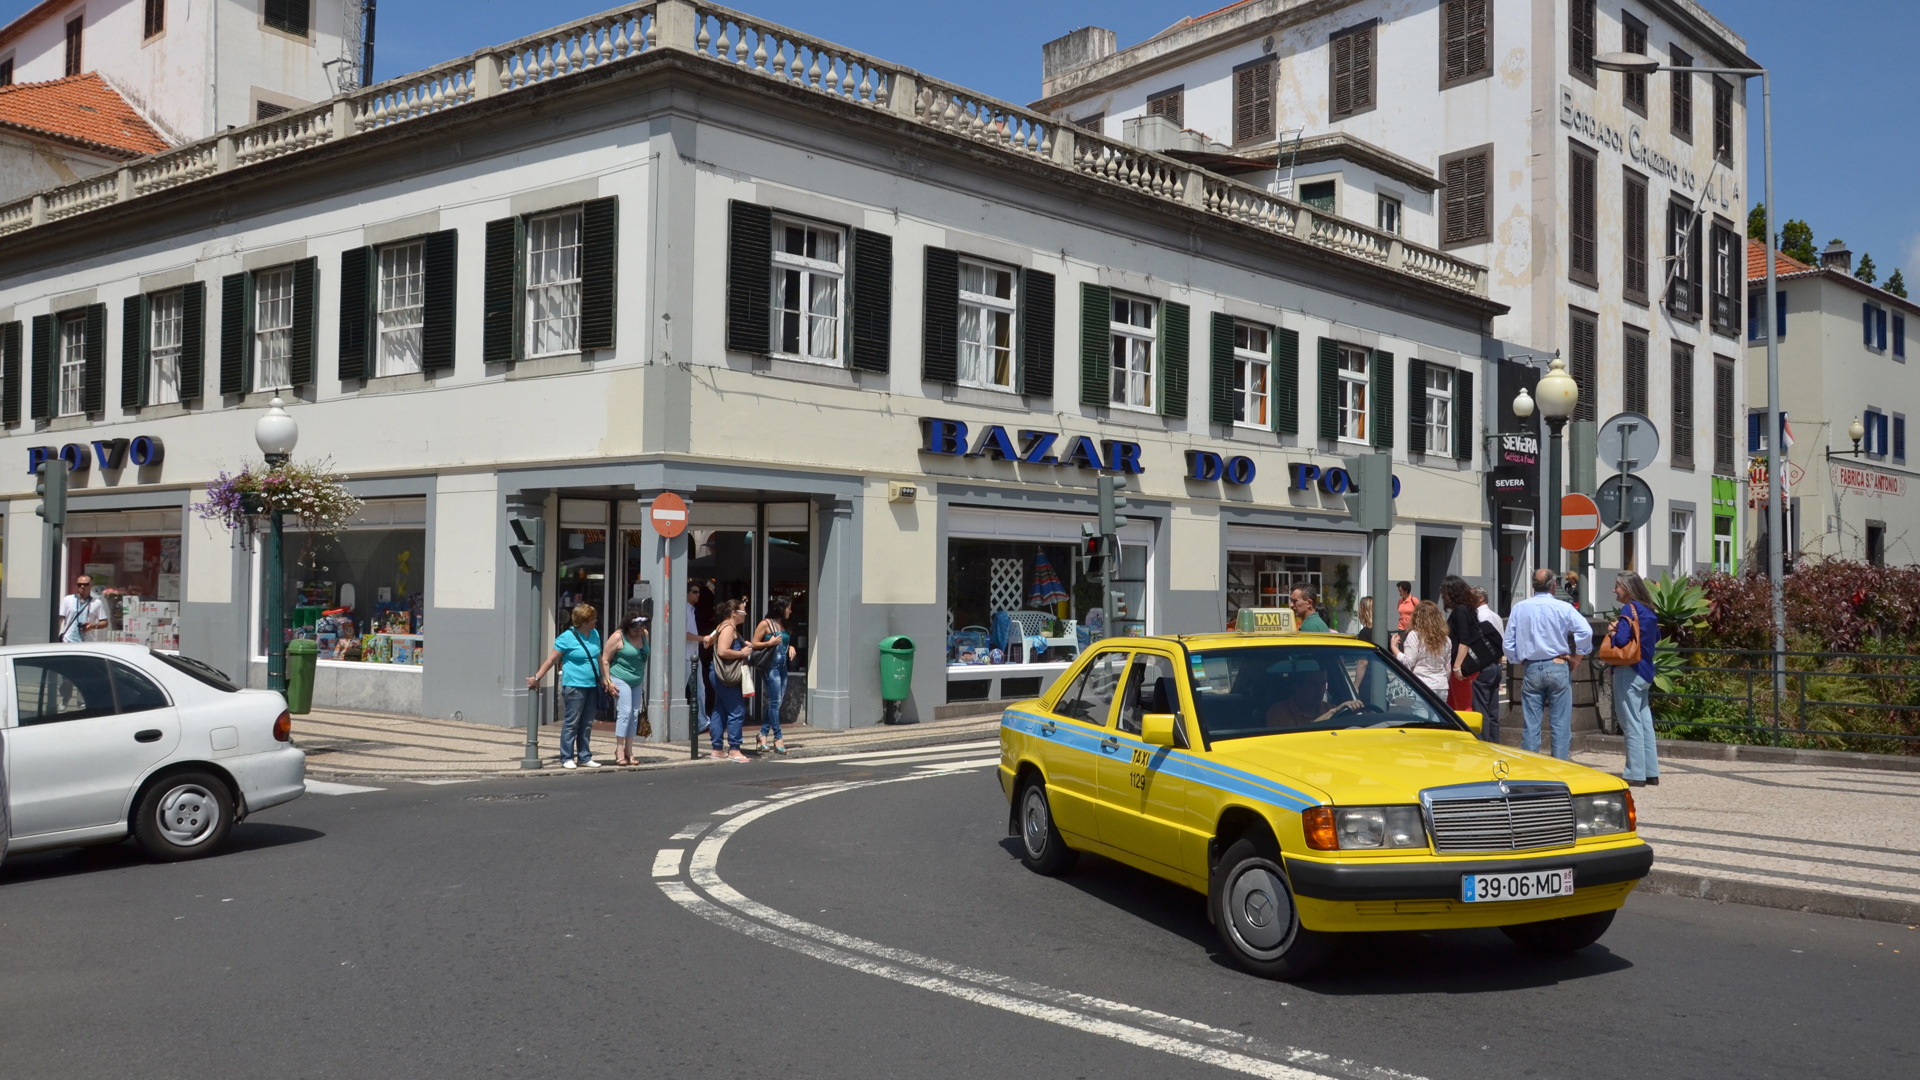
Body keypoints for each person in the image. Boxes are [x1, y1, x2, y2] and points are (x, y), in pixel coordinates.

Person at [1503, 568, 1594, 759]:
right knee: (1560, 723)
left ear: (1533, 586)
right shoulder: (1563, 607)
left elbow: (1508, 642)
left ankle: (1530, 767)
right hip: (1558, 664)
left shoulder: (1520, 608)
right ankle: (1559, 767)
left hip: (1532, 666)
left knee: (1531, 724)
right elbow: (1585, 631)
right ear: (1554, 586)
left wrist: (1517, 659)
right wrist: (1578, 657)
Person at [526, 603, 604, 769]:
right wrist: (537, 677)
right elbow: (552, 660)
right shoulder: (566, 637)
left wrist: (604, 678)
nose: (595, 621)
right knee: (572, 722)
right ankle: (567, 757)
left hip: (592, 685)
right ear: (583, 621)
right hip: (574, 686)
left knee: (587, 722)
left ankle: (584, 756)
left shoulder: (595, 634)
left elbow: (599, 657)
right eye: (592, 619)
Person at [1608, 571, 1662, 787]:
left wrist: (1612, 631)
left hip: (1628, 671)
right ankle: (1651, 772)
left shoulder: (1628, 609)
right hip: (1645, 671)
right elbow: (1656, 637)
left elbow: (1621, 640)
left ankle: (1635, 773)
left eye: (1617, 586)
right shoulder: (1648, 611)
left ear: (1627, 589)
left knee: (1630, 723)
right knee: (1645, 722)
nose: (1614, 590)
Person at [750, 596, 798, 755]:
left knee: (776, 704)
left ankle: (762, 735)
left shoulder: (784, 624)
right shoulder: (765, 624)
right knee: (775, 701)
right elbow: (754, 643)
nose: (790, 611)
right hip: (770, 668)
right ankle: (778, 738)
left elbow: (784, 641)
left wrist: (790, 646)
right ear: (781, 608)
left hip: (783, 667)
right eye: (788, 608)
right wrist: (768, 643)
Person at [708, 598, 754, 762]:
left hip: (717, 673)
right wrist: (742, 653)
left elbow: (709, 643)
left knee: (720, 710)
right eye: (743, 611)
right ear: (734, 613)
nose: (745, 614)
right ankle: (734, 749)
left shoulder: (722, 626)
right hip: (727, 675)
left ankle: (717, 749)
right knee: (737, 710)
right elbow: (722, 651)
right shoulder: (728, 628)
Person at [602, 612, 650, 766]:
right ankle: (619, 750)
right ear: (627, 626)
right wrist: (608, 681)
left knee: (635, 714)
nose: (639, 631)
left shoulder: (644, 635)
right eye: (635, 628)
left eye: (642, 627)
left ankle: (630, 751)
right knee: (625, 711)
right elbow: (605, 659)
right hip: (619, 678)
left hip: (636, 680)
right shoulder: (618, 636)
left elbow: (643, 657)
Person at [1440, 575, 1481, 711]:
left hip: (1460, 665)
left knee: (1463, 707)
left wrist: (1457, 667)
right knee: (1453, 706)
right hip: (1462, 664)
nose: (1443, 596)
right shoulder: (1467, 609)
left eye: (1444, 592)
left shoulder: (1460, 611)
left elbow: (1464, 640)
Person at [1470, 587, 1506, 739]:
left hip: (1484, 666)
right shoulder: (1496, 616)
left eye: (1471, 597)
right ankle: (1494, 741)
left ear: (1481, 598)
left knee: (1481, 709)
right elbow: (1500, 643)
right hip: (1496, 666)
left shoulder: (1480, 616)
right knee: (1493, 711)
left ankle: (1484, 743)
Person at [1396, 599, 1451, 695]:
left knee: (1419, 710)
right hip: (1441, 687)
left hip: (1421, 686)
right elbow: (1447, 668)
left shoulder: (1414, 635)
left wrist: (1394, 649)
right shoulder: (1446, 639)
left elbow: (1408, 663)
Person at [685, 582, 713, 737]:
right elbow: (684, 634)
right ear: (687, 593)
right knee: (683, 690)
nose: (698, 595)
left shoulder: (692, 610)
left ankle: (702, 722)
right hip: (684, 657)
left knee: (700, 690)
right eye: (694, 591)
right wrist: (702, 638)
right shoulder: (683, 609)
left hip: (694, 656)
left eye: (698, 592)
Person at [58, 574, 110, 643]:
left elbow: (105, 623)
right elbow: (60, 620)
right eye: (80, 584)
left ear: (91, 585)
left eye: (85, 584)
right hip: (68, 640)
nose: (82, 586)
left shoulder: (97, 603)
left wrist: (93, 626)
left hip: (87, 642)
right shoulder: (67, 599)